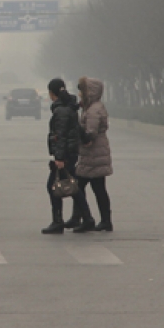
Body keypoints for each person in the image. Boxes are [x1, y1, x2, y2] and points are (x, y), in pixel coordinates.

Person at [42, 78, 92, 235]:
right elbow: (76, 128)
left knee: (53, 186)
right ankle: (87, 218)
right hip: (71, 153)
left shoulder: (61, 110)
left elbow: (61, 136)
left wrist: (59, 158)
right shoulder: (68, 107)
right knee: (73, 186)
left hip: (66, 155)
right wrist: (85, 139)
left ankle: (58, 222)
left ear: (52, 93)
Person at [71, 77, 114, 232]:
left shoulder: (93, 110)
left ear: (89, 92)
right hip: (94, 154)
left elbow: (91, 133)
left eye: (82, 90)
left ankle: (86, 219)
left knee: (81, 187)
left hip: (93, 154)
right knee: (95, 187)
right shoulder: (93, 107)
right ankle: (98, 220)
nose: (80, 94)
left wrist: (81, 136)